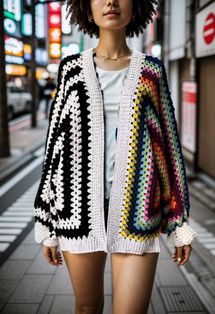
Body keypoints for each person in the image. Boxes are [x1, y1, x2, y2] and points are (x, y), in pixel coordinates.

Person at [33, 1, 198, 313]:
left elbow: (170, 149)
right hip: (77, 212)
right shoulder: (71, 71)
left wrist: (178, 221)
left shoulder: (151, 71)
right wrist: (46, 222)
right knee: (86, 306)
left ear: (136, 7)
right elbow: (54, 150)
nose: (110, 2)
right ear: (86, 8)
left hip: (138, 213)